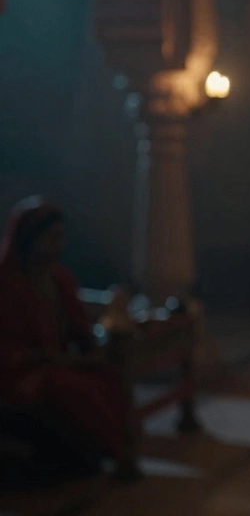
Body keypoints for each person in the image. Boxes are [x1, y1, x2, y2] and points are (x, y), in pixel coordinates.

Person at [0, 197, 140, 482]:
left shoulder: (59, 279)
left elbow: (79, 327)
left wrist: (94, 351)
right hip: (21, 372)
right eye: (50, 238)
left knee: (110, 379)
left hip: (58, 362)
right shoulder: (7, 283)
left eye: (60, 238)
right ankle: (113, 454)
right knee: (75, 389)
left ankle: (115, 450)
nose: (57, 246)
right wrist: (44, 359)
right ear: (30, 240)